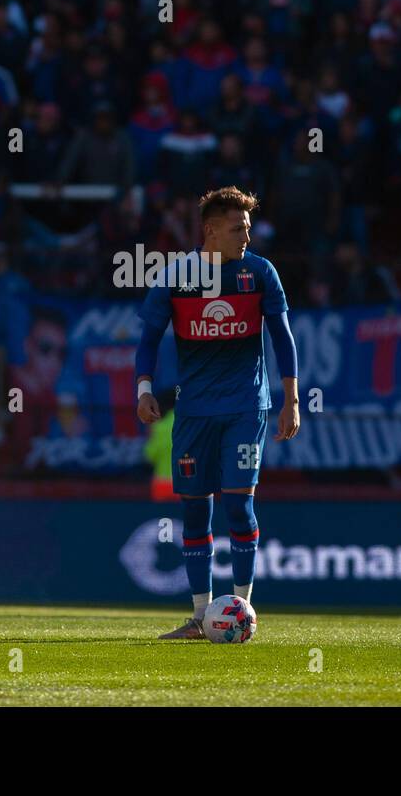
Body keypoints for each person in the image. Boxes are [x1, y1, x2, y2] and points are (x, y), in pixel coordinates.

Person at [135, 186, 299, 639]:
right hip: (193, 412)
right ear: (210, 230)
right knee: (194, 510)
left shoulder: (260, 272)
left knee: (240, 505)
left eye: (247, 227)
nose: (246, 236)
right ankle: (199, 617)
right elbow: (148, 340)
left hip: (247, 406)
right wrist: (144, 389)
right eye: (237, 228)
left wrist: (292, 397)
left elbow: (282, 337)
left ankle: (242, 609)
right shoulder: (176, 276)